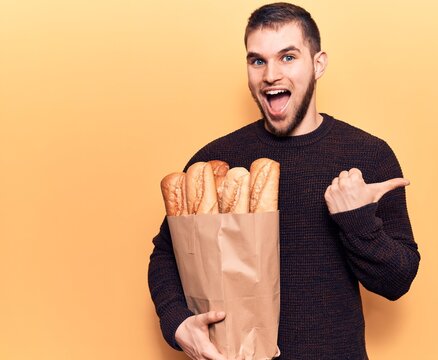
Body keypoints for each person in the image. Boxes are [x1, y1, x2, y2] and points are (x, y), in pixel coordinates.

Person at [148, 3, 420, 359]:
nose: (270, 75)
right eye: (257, 61)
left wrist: (356, 220)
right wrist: (177, 322)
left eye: (288, 57)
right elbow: (166, 252)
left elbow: (396, 281)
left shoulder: (367, 154)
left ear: (318, 63)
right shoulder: (215, 161)